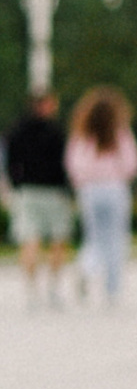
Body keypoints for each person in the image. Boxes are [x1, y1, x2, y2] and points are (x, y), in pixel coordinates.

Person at [68, 88, 137, 303]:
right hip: (115, 188)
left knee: (94, 236)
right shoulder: (120, 133)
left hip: (89, 189)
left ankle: (86, 267)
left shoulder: (82, 134)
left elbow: (74, 164)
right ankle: (112, 289)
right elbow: (131, 163)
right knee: (116, 237)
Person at [6, 90, 75, 301]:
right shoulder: (56, 131)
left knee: (30, 238)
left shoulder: (17, 129)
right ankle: (53, 287)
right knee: (57, 239)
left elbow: (10, 161)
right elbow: (66, 163)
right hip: (54, 191)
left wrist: (17, 184)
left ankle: (31, 288)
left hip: (28, 190)